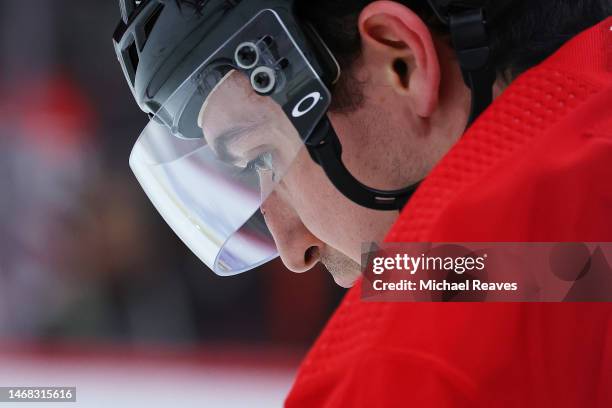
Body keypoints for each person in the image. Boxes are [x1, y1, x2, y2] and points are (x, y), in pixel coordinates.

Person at [113, 0, 612, 406]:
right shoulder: (552, 264)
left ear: (403, 63)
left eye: (264, 155)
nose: (292, 247)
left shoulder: (415, 368)